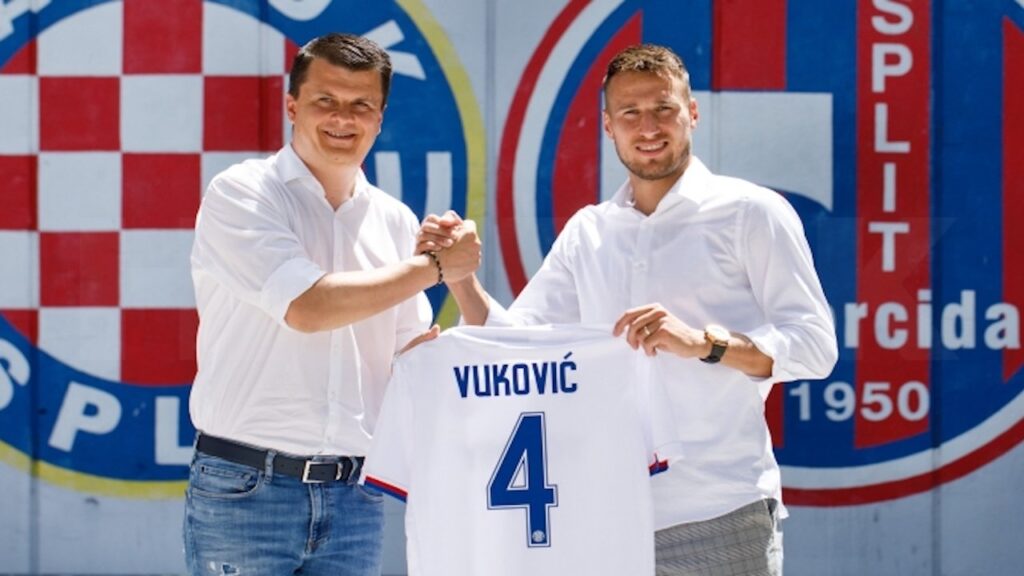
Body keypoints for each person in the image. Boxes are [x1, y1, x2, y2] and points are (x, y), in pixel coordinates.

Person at [421, 44, 837, 575]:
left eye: (663, 108)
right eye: (630, 113)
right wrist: (459, 279)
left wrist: (705, 344)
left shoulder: (751, 212)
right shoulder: (589, 231)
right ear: (607, 126)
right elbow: (518, 347)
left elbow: (815, 346)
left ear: (692, 112)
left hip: (718, 510)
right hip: (602, 516)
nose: (648, 128)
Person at [184, 32, 479, 576]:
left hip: (354, 496)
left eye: (361, 104)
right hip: (247, 489)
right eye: (326, 100)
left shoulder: (395, 219)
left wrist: (461, 282)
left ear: (380, 118)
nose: (343, 118)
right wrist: (436, 267)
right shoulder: (243, 192)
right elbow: (307, 308)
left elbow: (410, 361)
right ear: (292, 106)